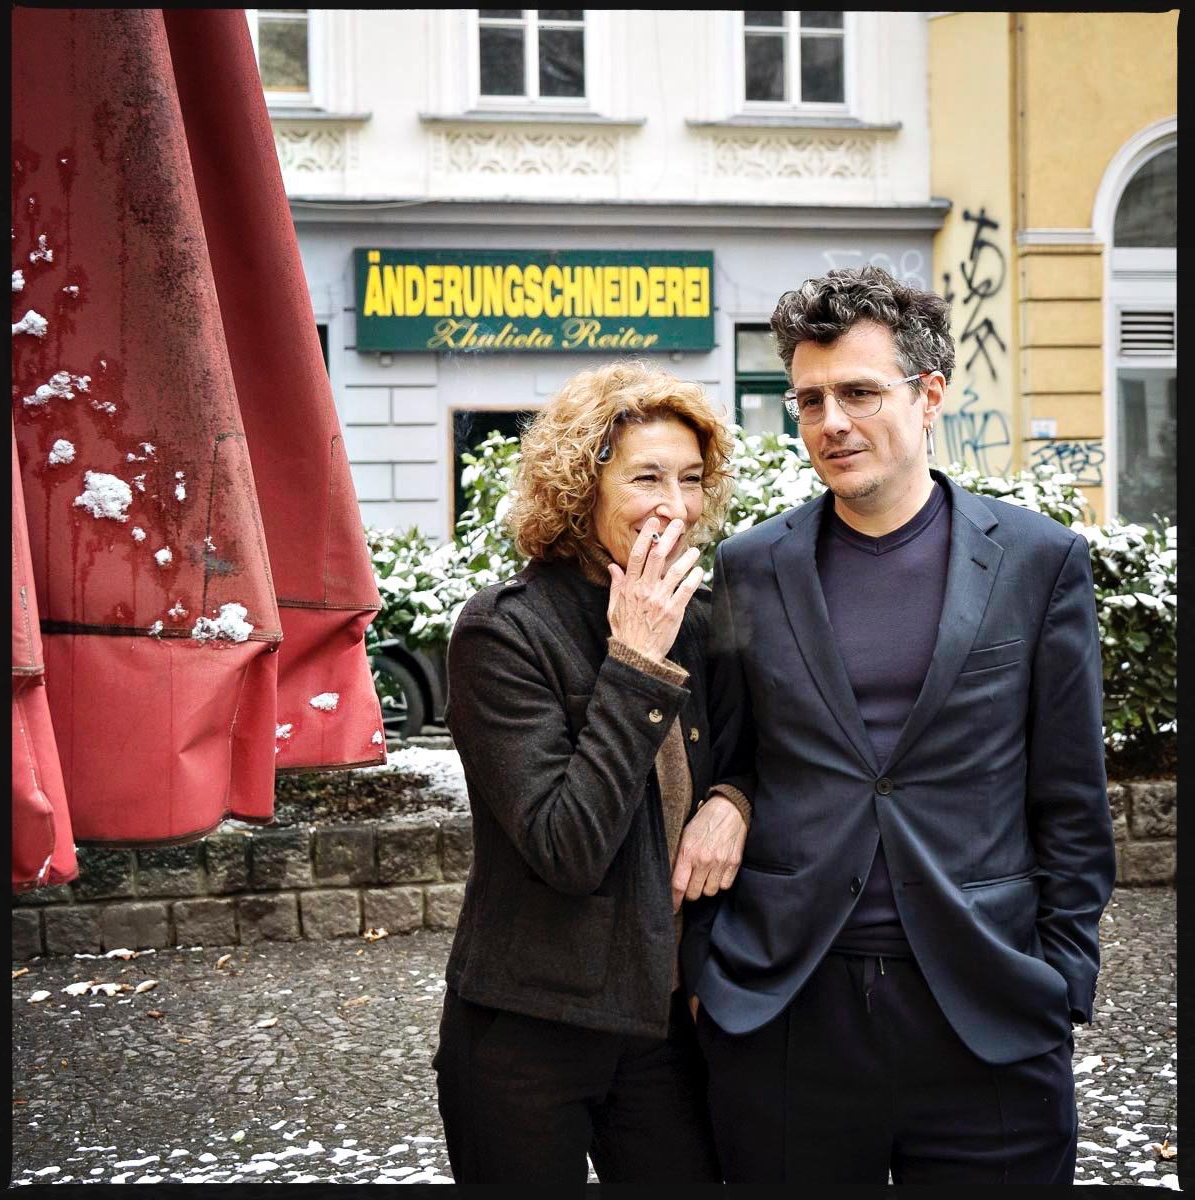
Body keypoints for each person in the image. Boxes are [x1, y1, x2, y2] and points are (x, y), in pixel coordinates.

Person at [683, 266, 1117, 1185]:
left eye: (859, 392)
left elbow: (1073, 797)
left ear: (930, 396)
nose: (831, 422)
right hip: (790, 1013)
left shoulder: (1038, 561)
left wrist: (1061, 980)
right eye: (809, 400)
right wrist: (709, 973)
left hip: (986, 1013)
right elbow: (733, 758)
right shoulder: (752, 566)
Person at [433, 360, 750, 1184]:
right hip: (526, 1024)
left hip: (661, 1017)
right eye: (646, 477)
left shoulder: (697, 615)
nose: (675, 505)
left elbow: (759, 749)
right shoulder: (505, 632)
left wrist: (734, 799)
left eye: (690, 479)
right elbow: (566, 847)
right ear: (580, 489)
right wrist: (636, 660)